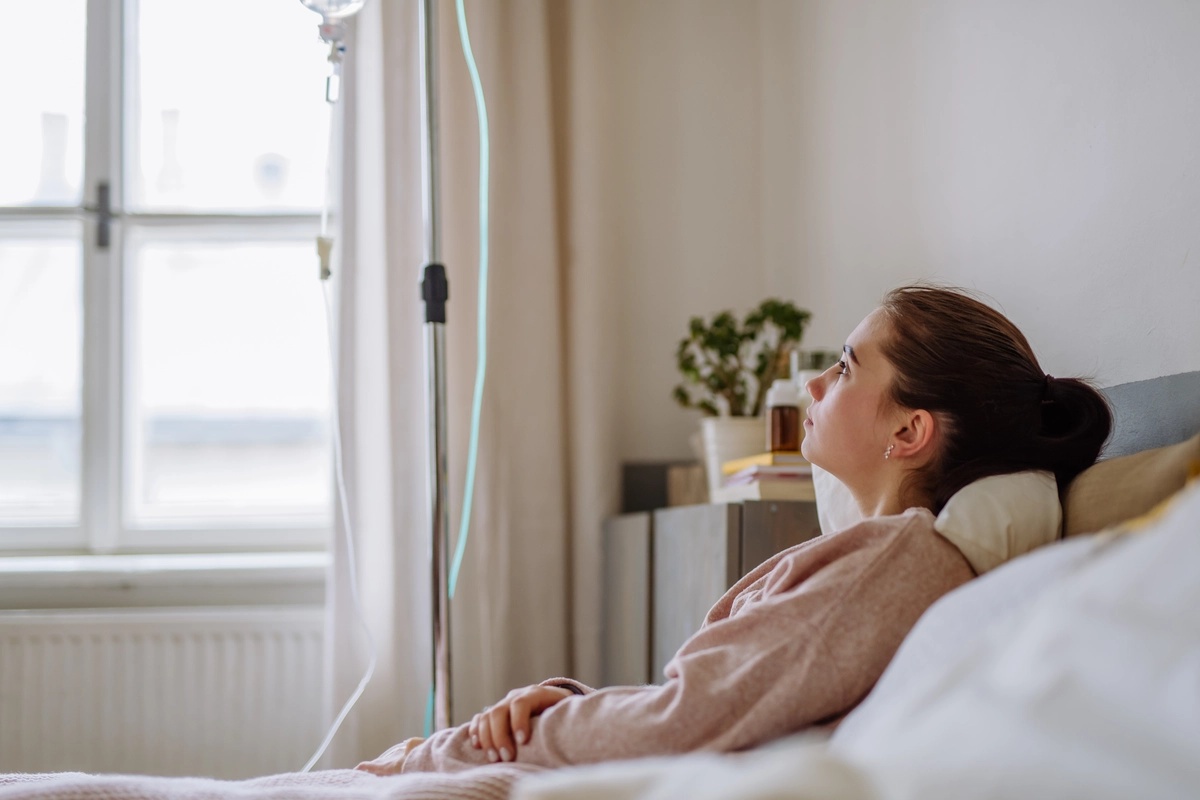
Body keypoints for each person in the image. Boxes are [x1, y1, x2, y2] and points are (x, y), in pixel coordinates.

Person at [357, 283, 1113, 777]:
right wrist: (564, 701)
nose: (816, 384)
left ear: (910, 431)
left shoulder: (893, 565)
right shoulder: (880, 557)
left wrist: (447, 752)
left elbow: (681, 723)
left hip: (486, 774)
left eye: (847, 369)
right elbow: (717, 706)